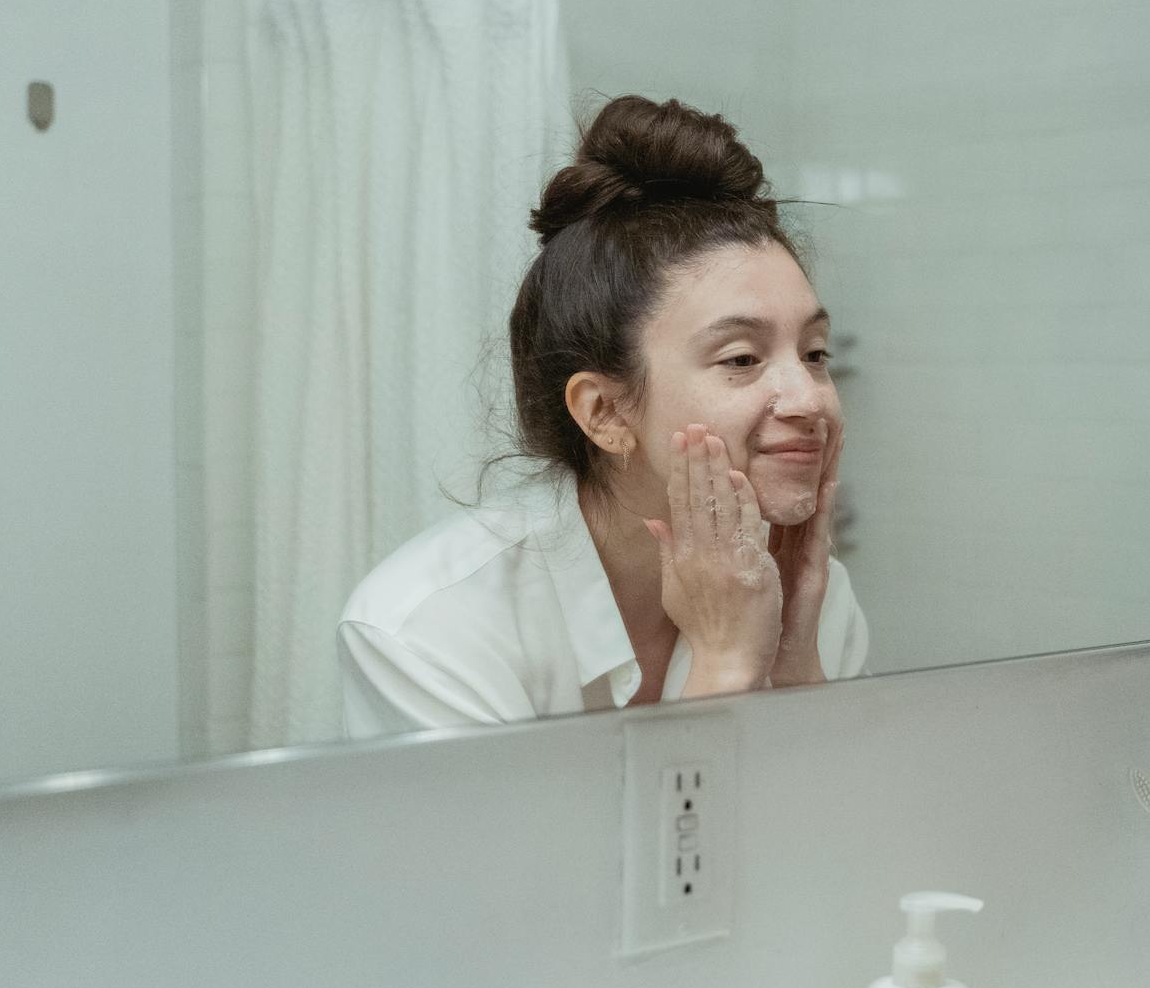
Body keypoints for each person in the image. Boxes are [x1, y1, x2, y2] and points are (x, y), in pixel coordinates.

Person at [338, 96, 866, 739]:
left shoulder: (810, 594)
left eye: (815, 353)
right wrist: (727, 667)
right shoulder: (426, 629)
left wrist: (793, 665)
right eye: (741, 358)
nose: (811, 399)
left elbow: (827, 835)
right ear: (606, 412)